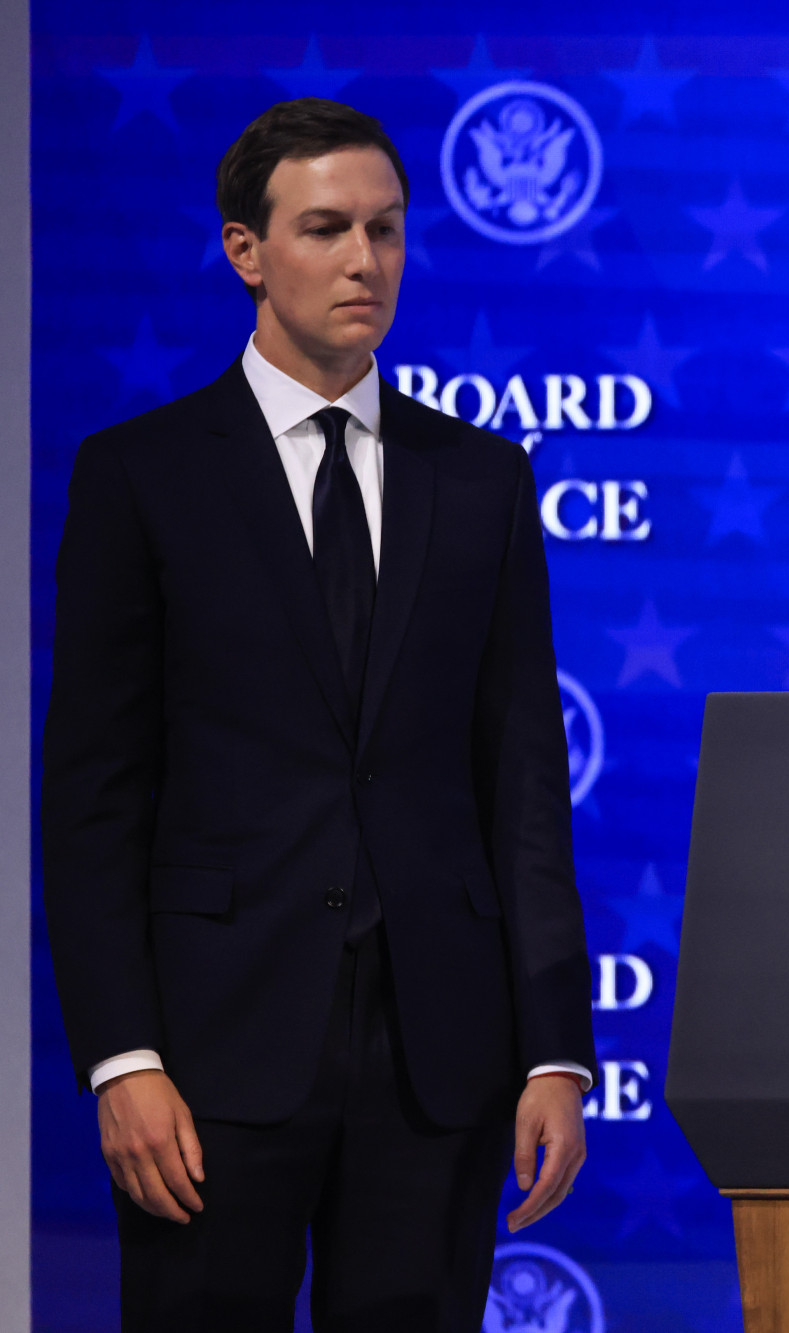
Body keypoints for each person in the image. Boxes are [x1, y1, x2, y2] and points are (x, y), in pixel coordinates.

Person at [41, 99, 596, 1330]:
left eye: (386, 230)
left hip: (437, 1059)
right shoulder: (142, 475)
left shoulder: (481, 479)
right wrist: (123, 1058)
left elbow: (521, 778)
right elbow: (91, 798)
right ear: (246, 250)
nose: (364, 261)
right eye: (327, 229)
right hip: (210, 1054)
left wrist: (554, 1049)